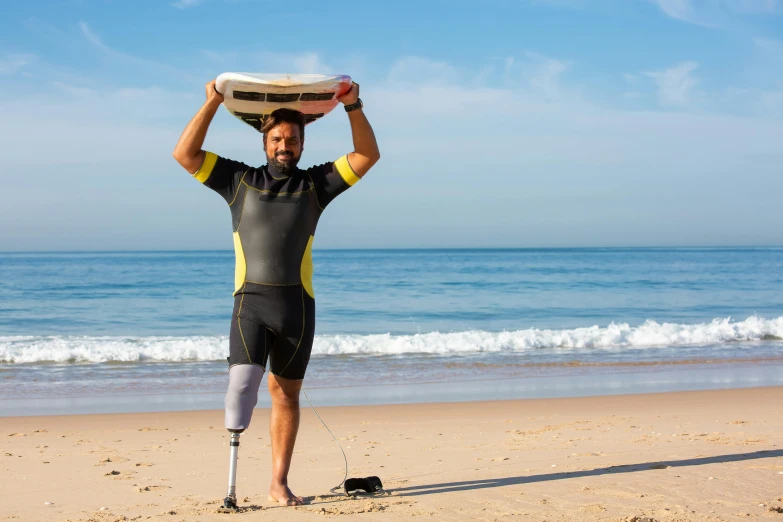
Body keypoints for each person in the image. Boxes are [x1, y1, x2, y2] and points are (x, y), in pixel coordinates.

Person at [172, 79, 380, 507]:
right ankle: (231, 482)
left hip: (296, 308)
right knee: (241, 388)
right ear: (265, 142)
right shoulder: (238, 182)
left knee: (285, 394)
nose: (285, 145)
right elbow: (184, 154)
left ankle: (278, 482)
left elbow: (366, 155)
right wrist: (212, 101)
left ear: (303, 143)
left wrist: (353, 106)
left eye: (293, 139)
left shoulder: (316, 187)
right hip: (250, 305)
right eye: (278, 138)